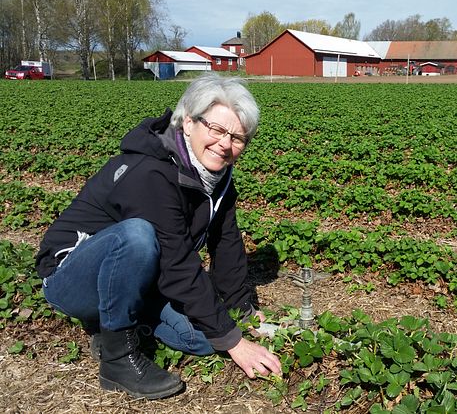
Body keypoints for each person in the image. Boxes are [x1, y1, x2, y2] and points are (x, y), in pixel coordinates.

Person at [35, 74, 282, 399]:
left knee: (204, 340)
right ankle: (117, 360)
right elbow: (176, 260)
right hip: (73, 278)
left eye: (238, 138)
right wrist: (236, 342)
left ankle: (122, 318)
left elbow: (225, 240)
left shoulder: (216, 176)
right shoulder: (151, 172)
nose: (226, 144)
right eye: (218, 130)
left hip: (139, 274)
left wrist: (241, 309)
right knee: (137, 236)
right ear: (190, 123)